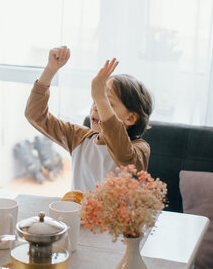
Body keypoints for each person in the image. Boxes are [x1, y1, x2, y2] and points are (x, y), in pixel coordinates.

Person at [25, 46, 153, 191]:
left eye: (107, 103)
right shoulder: (79, 138)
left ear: (130, 118)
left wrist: (100, 97)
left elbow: (124, 156)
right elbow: (35, 114)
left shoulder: (140, 149)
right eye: (95, 100)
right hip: (77, 213)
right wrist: (50, 70)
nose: (96, 106)